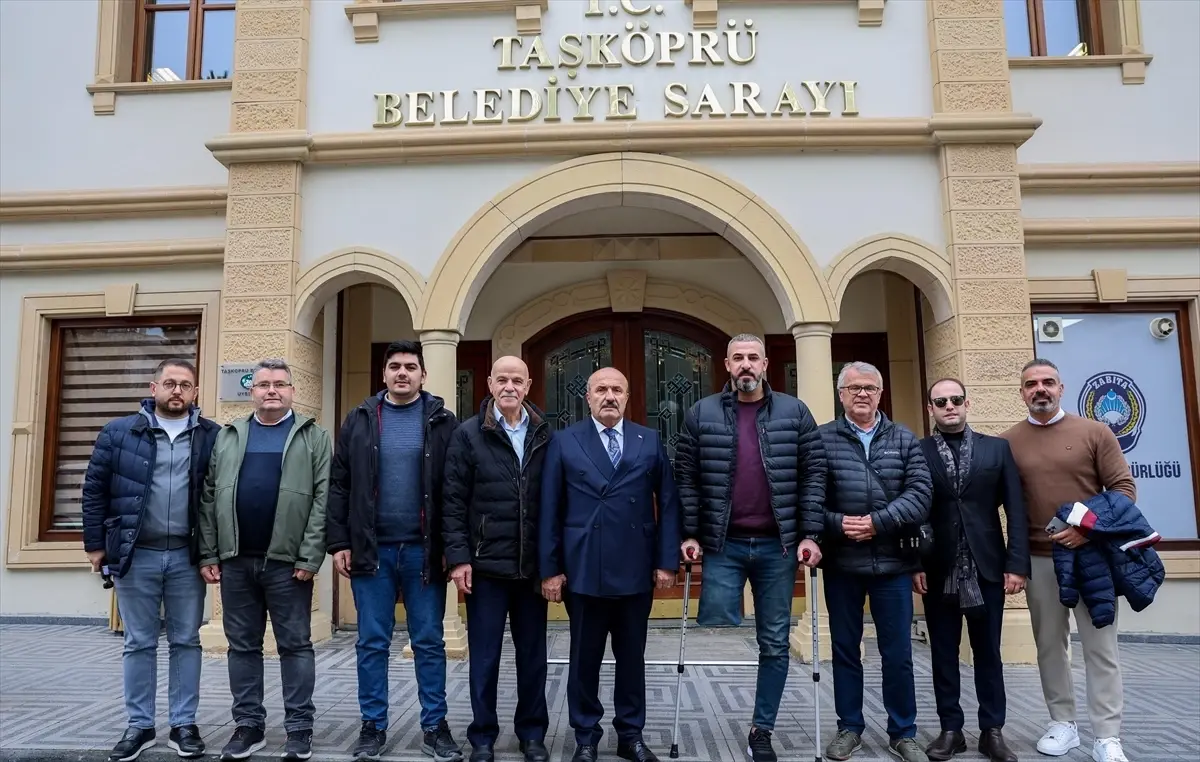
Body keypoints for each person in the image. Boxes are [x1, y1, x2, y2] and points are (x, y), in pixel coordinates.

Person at [673, 333, 827, 762]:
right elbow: (685, 476)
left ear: (765, 364)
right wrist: (690, 533)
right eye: (738, 357)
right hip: (723, 544)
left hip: (779, 546)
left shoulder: (795, 412)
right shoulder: (701, 413)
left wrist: (811, 534)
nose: (746, 364)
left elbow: (814, 474)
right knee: (715, 626)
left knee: (774, 642)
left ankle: (762, 728)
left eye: (753, 357)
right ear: (726, 365)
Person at [326, 340, 461, 762]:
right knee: (372, 641)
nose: (402, 373)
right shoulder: (360, 419)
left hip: (425, 552)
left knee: (429, 640)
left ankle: (435, 727)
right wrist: (339, 542)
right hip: (372, 551)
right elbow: (339, 484)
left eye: (410, 367)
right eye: (395, 366)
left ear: (423, 375)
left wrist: (452, 548)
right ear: (383, 374)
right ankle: (372, 726)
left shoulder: (443, 421)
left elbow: (455, 488)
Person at [539, 367, 682, 762]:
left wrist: (666, 562)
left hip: (636, 568)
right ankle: (585, 736)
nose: (609, 396)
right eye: (601, 389)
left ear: (627, 397)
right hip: (584, 568)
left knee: (632, 658)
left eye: (617, 389)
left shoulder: (649, 439)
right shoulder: (565, 441)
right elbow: (549, 509)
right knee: (584, 659)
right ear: (587, 397)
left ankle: (630, 735)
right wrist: (550, 569)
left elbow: (669, 503)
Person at [82, 359, 220, 762]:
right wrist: (95, 546)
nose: (177, 391)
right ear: (153, 387)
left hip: (187, 556)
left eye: (186, 385)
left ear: (195, 393)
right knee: (139, 642)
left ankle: (184, 725)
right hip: (135, 553)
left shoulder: (211, 435)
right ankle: (139, 726)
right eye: (170, 383)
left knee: (186, 641)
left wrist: (214, 552)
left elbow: (219, 497)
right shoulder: (119, 432)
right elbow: (94, 490)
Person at [1000, 358, 1137, 762]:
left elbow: (1123, 490)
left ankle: (1107, 735)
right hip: (1040, 560)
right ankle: (1063, 723)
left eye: (1048, 382)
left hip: (1091, 557)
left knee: (1100, 647)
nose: (1040, 389)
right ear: (1021, 393)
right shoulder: (1007, 443)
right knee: (1049, 646)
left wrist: (1087, 530)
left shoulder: (1095, 432)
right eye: (1031, 384)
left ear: (1061, 388)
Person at [198, 358, 331, 762]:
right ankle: (248, 726)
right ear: (252, 391)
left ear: (292, 391)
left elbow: (323, 500)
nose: (271, 390)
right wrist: (209, 552)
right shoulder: (229, 435)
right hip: (236, 561)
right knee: (242, 647)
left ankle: (299, 728)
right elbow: (209, 497)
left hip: (288, 565)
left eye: (280, 384)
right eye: (263, 385)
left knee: (296, 646)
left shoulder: (313, 436)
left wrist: (310, 555)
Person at [818, 361, 933, 762]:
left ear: (881, 393)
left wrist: (876, 523)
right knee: (845, 650)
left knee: (897, 654)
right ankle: (849, 728)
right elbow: (810, 498)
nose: (862, 394)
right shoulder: (822, 439)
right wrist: (838, 523)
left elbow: (920, 494)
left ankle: (903, 732)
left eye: (869, 387)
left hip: (892, 565)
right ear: (841, 395)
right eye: (854, 388)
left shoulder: (904, 438)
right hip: (842, 564)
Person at [444, 356, 553, 762]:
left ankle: (532, 735)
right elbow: (453, 502)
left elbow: (555, 501)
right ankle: (483, 737)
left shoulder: (544, 433)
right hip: (485, 567)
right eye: (502, 379)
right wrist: (458, 558)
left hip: (531, 569)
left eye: (517, 381)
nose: (509, 386)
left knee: (533, 658)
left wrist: (553, 564)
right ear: (490, 383)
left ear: (528, 386)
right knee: (485, 658)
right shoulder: (468, 434)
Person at [914, 379, 1028, 762]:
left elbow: (1016, 509)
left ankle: (992, 731)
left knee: (988, 653)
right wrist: (914, 564)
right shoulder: (919, 451)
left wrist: (1017, 565)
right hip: (938, 569)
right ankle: (951, 730)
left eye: (956, 399)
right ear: (931, 408)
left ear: (968, 403)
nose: (949, 406)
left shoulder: (997, 449)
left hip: (987, 568)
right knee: (943, 654)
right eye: (941, 401)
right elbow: (914, 512)